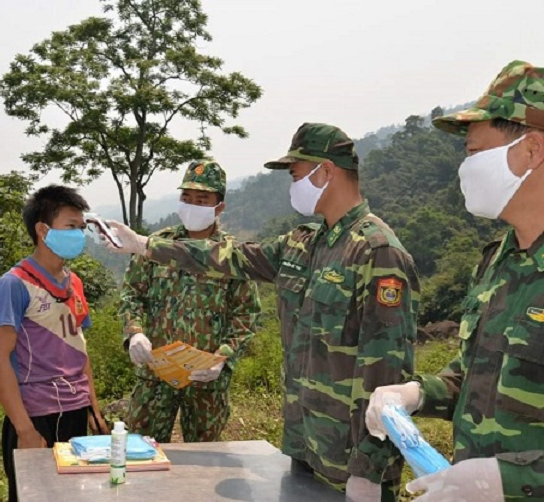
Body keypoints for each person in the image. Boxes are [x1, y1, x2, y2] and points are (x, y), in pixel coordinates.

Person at [104, 124, 420, 501]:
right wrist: (145, 245)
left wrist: (369, 469)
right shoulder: (304, 243)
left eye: (295, 174)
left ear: (325, 171)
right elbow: (232, 257)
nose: (293, 184)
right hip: (305, 443)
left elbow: (387, 372)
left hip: (349, 458)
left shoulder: (376, 252)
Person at [366, 60, 544, 502]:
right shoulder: (499, 261)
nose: (464, 169)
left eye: (473, 153)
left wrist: (508, 481)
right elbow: (476, 374)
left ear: (532, 150)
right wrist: (414, 394)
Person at [119, 160, 260, 443]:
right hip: (156, 371)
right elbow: (131, 293)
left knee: (205, 458)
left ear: (219, 206)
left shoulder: (231, 256)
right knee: (142, 451)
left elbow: (246, 315)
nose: (192, 204)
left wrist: (222, 357)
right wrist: (135, 332)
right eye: (187, 198)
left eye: (202, 199)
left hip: (205, 378)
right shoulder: (156, 245)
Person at [0, 185, 109, 502]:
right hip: (37, 415)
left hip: (75, 411)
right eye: (71, 226)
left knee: (73, 494)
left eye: (82, 227)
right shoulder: (13, 285)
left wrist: (93, 410)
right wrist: (25, 430)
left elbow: (79, 349)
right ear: (43, 230)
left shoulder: (74, 282)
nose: (79, 235)